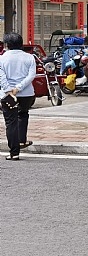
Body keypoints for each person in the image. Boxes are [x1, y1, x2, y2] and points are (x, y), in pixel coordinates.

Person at [0, 32, 37, 160]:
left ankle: (14, 152)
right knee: (23, 114)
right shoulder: (29, 57)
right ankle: (21, 140)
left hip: (7, 95)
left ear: (6, 45)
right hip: (27, 94)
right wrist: (19, 88)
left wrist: (9, 90)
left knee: (11, 122)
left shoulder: (2, 58)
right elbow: (31, 76)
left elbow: (1, 77)